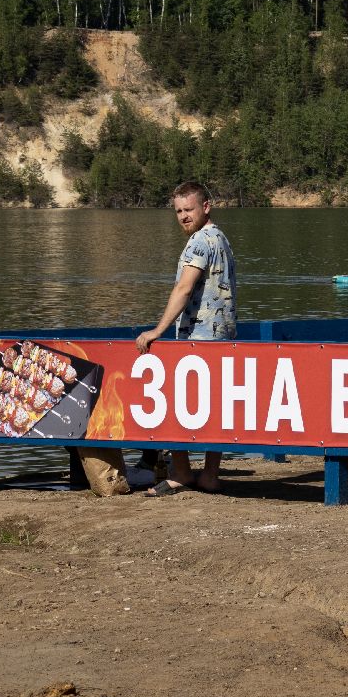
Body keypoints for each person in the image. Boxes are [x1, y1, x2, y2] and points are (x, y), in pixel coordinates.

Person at [136, 180, 238, 496]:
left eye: (189, 209)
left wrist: (158, 330)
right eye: (178, 211)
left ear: (206, 206)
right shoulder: (220, 238)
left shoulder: (199, 242)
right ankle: (209, 476)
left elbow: (184, 287)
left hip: (198, 339)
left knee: (171, 401)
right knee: (215, 406)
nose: (183, 216)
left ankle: (181, 472)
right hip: (223, 337)